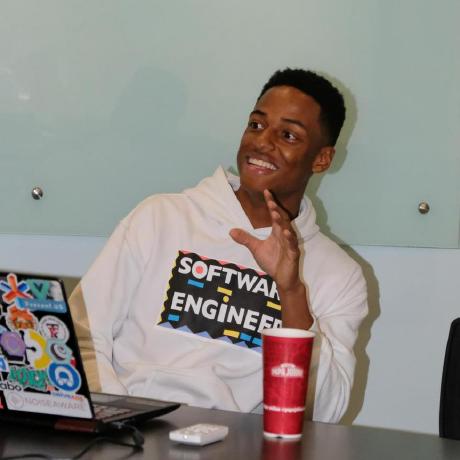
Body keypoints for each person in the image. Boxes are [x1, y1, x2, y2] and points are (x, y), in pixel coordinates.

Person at [69, 68, 368, 423]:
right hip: (131, 429)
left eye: (288, 135)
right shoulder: (161, 217)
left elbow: (325, 411)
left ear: (321, 159)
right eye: (256, 125)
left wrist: (291, 293)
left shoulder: (338, 274)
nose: (262, 142)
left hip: (238, 442)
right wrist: (118, 420)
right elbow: (83, 336)